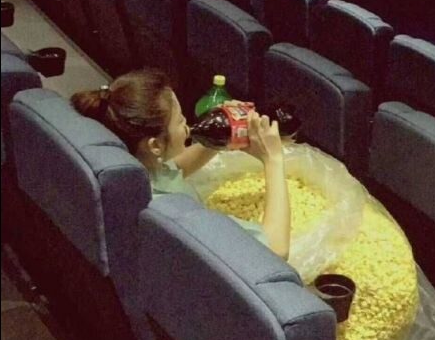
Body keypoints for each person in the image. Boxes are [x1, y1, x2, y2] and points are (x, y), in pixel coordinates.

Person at [71, 69, 290, 259]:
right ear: (155, 145)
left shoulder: (134, 166)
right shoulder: (177, 214)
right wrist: (273, 160)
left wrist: (223, 135)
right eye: (180, 120)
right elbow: (276, 250)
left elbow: (174, 170)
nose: (187, 125)